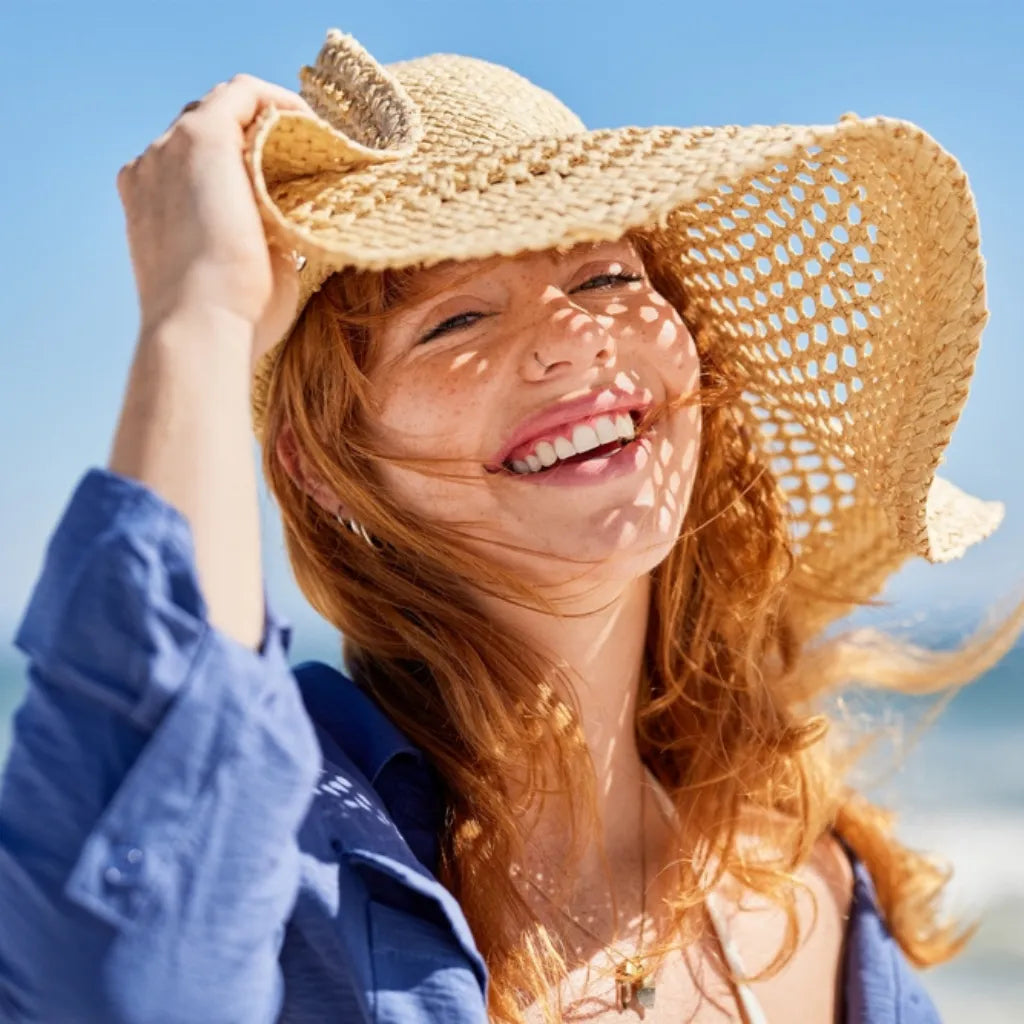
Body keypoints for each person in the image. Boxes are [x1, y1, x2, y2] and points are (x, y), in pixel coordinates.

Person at [1, 28, 1021, 1024]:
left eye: (608, 276)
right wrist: (200, 315)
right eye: (455, 319)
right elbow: (123, 974)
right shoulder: (296, 853)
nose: (572, 341)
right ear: (319, 472)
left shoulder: (813, 883)